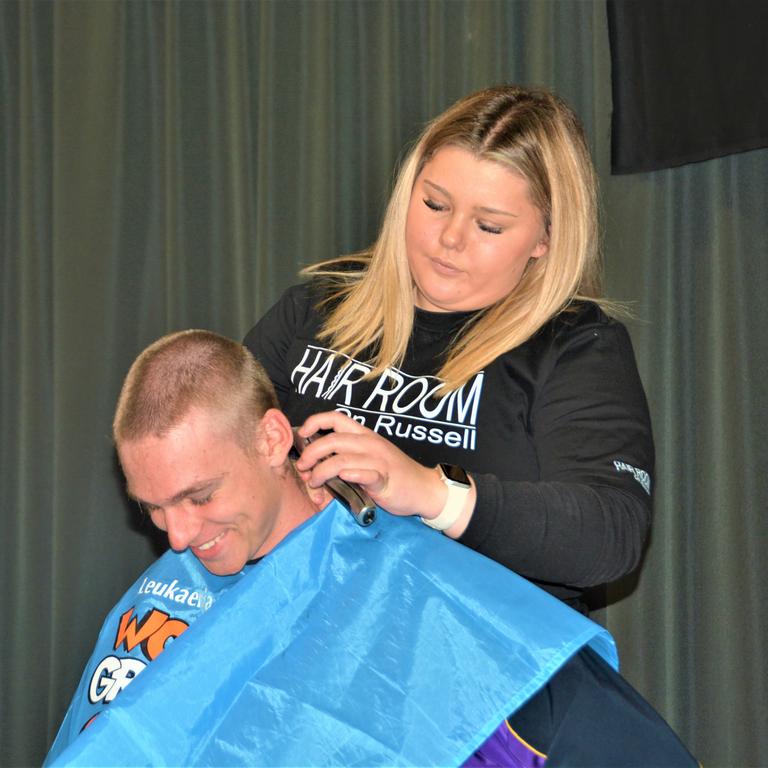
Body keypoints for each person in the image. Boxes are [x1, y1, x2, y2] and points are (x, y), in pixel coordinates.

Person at [46, 331, 694, 767]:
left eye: (198, 496)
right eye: (152, 509)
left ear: (273, 440)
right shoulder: (165, 595)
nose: (179, 537)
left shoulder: (425, 598)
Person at [244, 84, 654, 614]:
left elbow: (610, 533)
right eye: (434, 203)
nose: (450, 238)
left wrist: (431, 492)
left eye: (488, 225)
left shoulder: (576, 348)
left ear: (545, 239)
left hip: (477, 669)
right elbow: (226, 450)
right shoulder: (314, 309)